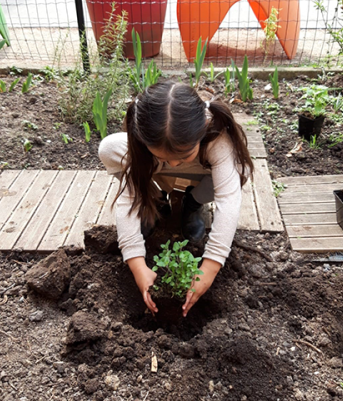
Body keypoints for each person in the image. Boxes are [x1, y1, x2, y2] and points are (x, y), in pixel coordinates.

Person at [99, 81, 253, 317]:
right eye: (162, 156)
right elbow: (125, 201)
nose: (172, 163)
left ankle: (192, 202)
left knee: (238, 172)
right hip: (153, 171)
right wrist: (138, 265)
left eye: (182, 155)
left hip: (201, 174)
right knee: (108, 148)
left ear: (201, 128)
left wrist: (210, 267)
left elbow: (229, 201)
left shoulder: (217, 138)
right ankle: (154, 199)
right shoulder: (142, 142)